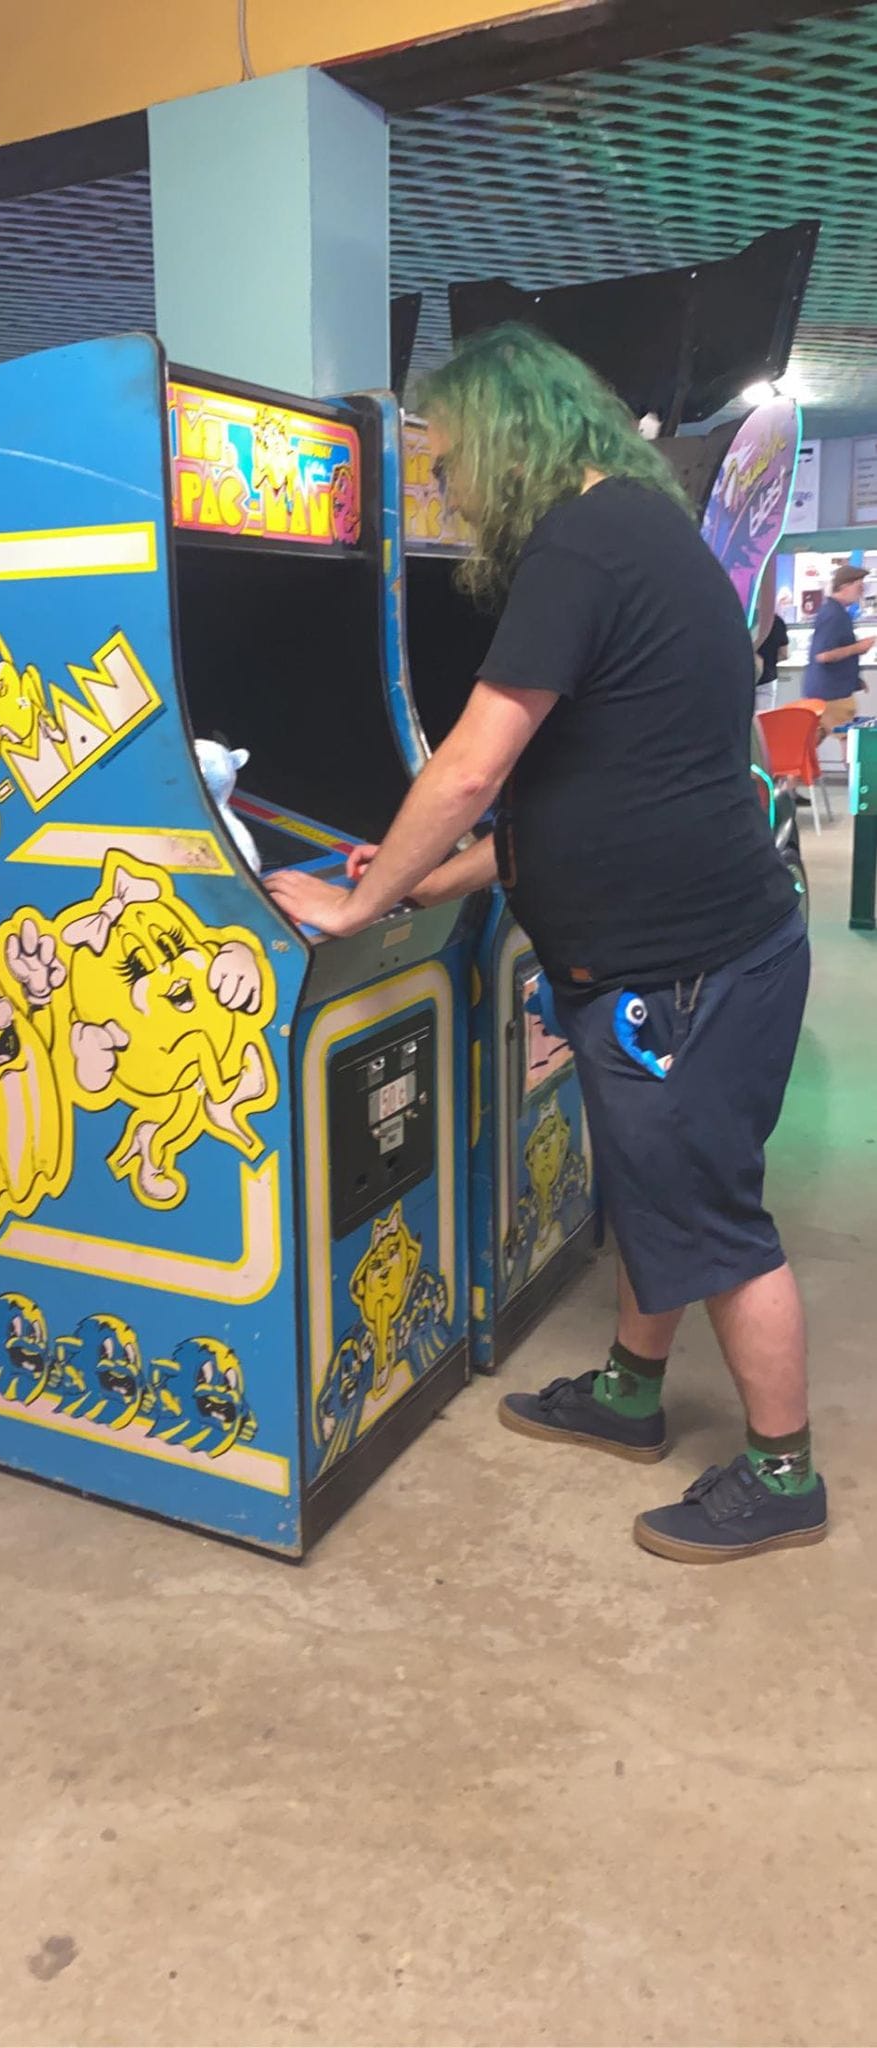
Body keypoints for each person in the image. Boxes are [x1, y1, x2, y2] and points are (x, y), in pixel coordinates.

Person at [267, 323, 823, 1566]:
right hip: (692, 952)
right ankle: (631, 1391)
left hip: (679, 966)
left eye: (454, 459)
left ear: (513, 439)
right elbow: (572, 798)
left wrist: (362, 904)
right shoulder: (641, 527)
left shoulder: (576, 546)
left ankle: (781, 1472)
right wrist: (415, 874)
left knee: (713, 1218)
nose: (448, 489)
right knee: (656, 1191)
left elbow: (471, 766)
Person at [804, 563, 873, 740]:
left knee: (811, 741)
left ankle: (787, 765)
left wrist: (854, 679)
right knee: (851, 740)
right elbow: (824, 655)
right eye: (859, 586)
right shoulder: (834, 615)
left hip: (826, 690)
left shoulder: (834, 612)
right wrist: (859, 647)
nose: (862, 591)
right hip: (833, 695)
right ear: (844, 586)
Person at [755, 611, 789, 707]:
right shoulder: (777, 621)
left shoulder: (744, 619)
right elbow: (784, 654)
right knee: (765, 718)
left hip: (744, 678)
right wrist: (769, 660)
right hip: (767, 678)